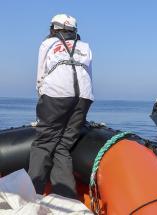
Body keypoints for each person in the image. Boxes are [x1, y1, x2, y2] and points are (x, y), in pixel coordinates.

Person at [28, 14, 93, 199]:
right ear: (74, 31)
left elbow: (41, 75)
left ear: (53, 29)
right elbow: (89, 74)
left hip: (56, 95)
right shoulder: (85, 47)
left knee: (43, 144)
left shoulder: (47, 44)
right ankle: (65, 197)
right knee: (63, 145)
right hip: (84, 97)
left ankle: (34, 194)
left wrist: (42, 97)